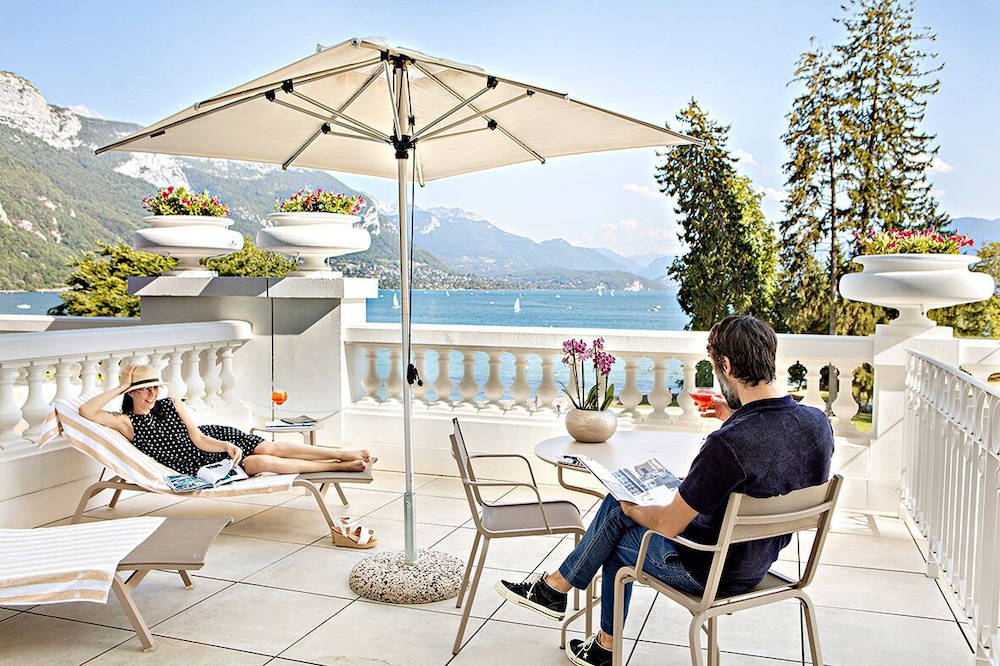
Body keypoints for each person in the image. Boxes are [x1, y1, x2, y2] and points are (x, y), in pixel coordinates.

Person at [495, 315, 835, 666]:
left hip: (709, 572)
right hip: (758, 564)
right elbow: (772, 450)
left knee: (616, 524)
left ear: (727, 366)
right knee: (622, 511)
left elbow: (669, 524)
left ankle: (584, 623)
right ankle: (556, 591)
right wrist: (732, 415)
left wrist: (631, 507)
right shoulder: (817, 424)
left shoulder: (727, 445)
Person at [79, 364, 373, 478]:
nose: (152, 394)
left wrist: (225, 445)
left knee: (269, 448)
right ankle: (337, 466)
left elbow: (198, 437)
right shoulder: (126, 422)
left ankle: (341, 453)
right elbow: (87, 412)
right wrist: (121, 384)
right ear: (131, 393)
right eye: (145, 389)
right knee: (261, 463)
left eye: (155, 388)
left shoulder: (170, 403)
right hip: (196, 463)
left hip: (211, 440)